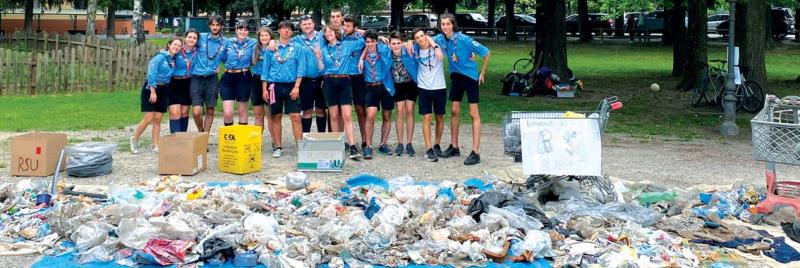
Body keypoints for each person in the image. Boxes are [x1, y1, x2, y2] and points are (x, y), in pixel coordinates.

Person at [431, 13, 491, 166]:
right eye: (442, 24)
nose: (445, 26)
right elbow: (426, 39)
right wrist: (430, 45)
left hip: (470, 77)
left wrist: (482, 73)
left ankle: (475, 152)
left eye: (448, 24)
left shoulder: (464, 39)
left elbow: (486, 52)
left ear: (453, 25)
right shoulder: (440, 38)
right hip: (456, 77)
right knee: (454, 111)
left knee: (473, 113)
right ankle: (454, 146)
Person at [318, 25, 365, 160]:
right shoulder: (323, 49)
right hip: (329, 82)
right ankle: (337, 144)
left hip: (344, 81)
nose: (328, 34)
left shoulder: (346, 45)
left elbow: (362, 42)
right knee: (333, 115)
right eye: (326, 33)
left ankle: (353, 146)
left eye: (330, 32)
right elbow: (321, 69)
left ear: (336, 33)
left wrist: (358, 31)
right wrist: (318, 58)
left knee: (347, 115)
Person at [261, 21, 305, 158]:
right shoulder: (271, 48)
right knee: (275, 116)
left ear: (292, 32)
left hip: (292, 86)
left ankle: (300, 148)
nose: (286, 31)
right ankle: (278, 146)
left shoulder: (298, 48)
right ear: (279, 31)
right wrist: (264, 89)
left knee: (296, 117)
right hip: (274, 86)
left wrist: (297, 86)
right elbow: (265, 70)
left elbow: (301, 69)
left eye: (289, 29)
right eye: (283, 29)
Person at [130, 38, 182, 154]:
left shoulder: (173, 60)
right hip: (151, 88)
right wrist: (153, 92)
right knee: (148, 118)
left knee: (158, 119)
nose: (176, 47)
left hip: (164, 89)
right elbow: (151, 74)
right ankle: (134, 138)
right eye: (174, 44)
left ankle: (155, 144)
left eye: (179, 45)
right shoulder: (159, 57)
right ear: (169, 45)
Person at [408, 28, 445, 162]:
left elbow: (446, 38)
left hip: (440, 86)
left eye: (422, 36)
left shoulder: (438, 45)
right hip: (424, 87)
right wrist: (409, 41)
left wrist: (435, 46)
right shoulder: (415, 50)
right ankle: (429, 149)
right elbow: (406, 44)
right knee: (427, 118)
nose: (420, 39)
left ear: (426, 35)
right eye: (417, 37)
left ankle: (437, 144)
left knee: (440, 117)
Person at [357, 30, 395, 159]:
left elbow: (395, 45)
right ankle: (368, 146)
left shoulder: (383, 50)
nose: (370, 44)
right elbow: (355, 31)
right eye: (367, 42)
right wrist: (362, 58)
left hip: (385, 86)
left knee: (386, 115)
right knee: (371, 115)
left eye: (372, 41)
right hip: (370, 87)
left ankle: (383, 143)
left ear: (376, 41)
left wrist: (382, 38)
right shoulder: (363, 53)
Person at [191, 16, 227, 132]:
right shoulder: (200, 37)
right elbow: (187, 43)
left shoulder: (225, 42)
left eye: (218, 25)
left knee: (210, 109)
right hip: (197, 78)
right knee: (196, 111)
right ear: (209, 25)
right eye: (213, 25)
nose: (215, 27)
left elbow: (229, 58)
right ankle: (201, 132)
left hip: (212, 79)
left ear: (221, 26)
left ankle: (204, 137)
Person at [293, 15, 328, 133]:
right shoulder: (296, 40)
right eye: (304, 24)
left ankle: (322, 137)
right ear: (301, 26)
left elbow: (342, 33)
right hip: (305, 80)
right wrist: (273, 41)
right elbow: (282, 41)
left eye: (309, 23)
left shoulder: (323, 36)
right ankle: (306, 139)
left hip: (321, 79)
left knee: (321, 110)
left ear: (313, 24)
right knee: (307, 110)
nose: (307, 26)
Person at [386, 31, 418, 157]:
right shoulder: (388, 53)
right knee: (400, 111)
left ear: (402, 43)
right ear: (390, 44)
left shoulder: (409, 50)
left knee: (410, 110)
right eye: (393, 43)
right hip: (397, 84)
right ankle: (400, 143)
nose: (396, 45)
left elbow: (420, 41)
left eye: (398, 43)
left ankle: (409, 143)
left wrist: (410, 41)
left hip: (410, 83)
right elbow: (373, 43)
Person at [220, 21, 257, 126]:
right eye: (240, 29)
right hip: (228, 76)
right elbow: (222, 57)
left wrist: (273, 42)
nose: (243, 32)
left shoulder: (253, 42)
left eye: (245, 30)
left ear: (248, 32)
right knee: (227, 112)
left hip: (244, 76)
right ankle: (230, 138)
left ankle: (241, 138)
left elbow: (265, 43)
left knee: (242, 110)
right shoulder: (228, 42)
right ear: (236, 30)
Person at [342, 15, 368, 151]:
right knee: (343, 111)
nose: (345, 28)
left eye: (348, 26)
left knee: (360, 109)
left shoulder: (361, 38)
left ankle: (365, 140)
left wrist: (362, 56)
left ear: (355, 28)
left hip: (358, 77)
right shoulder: (339, 36)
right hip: (343, 76)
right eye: (344, 25)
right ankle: (342, 140)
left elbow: (374, 41)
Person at [167, 29, 198, 133]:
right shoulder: (177, 49)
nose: (191, 39)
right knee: (175, 113)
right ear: (185, 37)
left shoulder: (198, 52)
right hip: (174, 83)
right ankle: (174, 141)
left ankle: (182, 140)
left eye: (194, 38)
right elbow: (166, 56)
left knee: (184, 112)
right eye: (189, 37)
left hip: (188, 83)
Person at [252, 27, 274, 134]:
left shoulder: (274, 48)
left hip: (270, 82)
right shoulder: (255, 48)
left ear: (271, 37)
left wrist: (274, 43)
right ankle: (257, 142)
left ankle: (275, 142)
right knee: (258, 114)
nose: (264, 37)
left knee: (270, 115)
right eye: (262, 35)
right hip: (256, 80)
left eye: (266, 35)